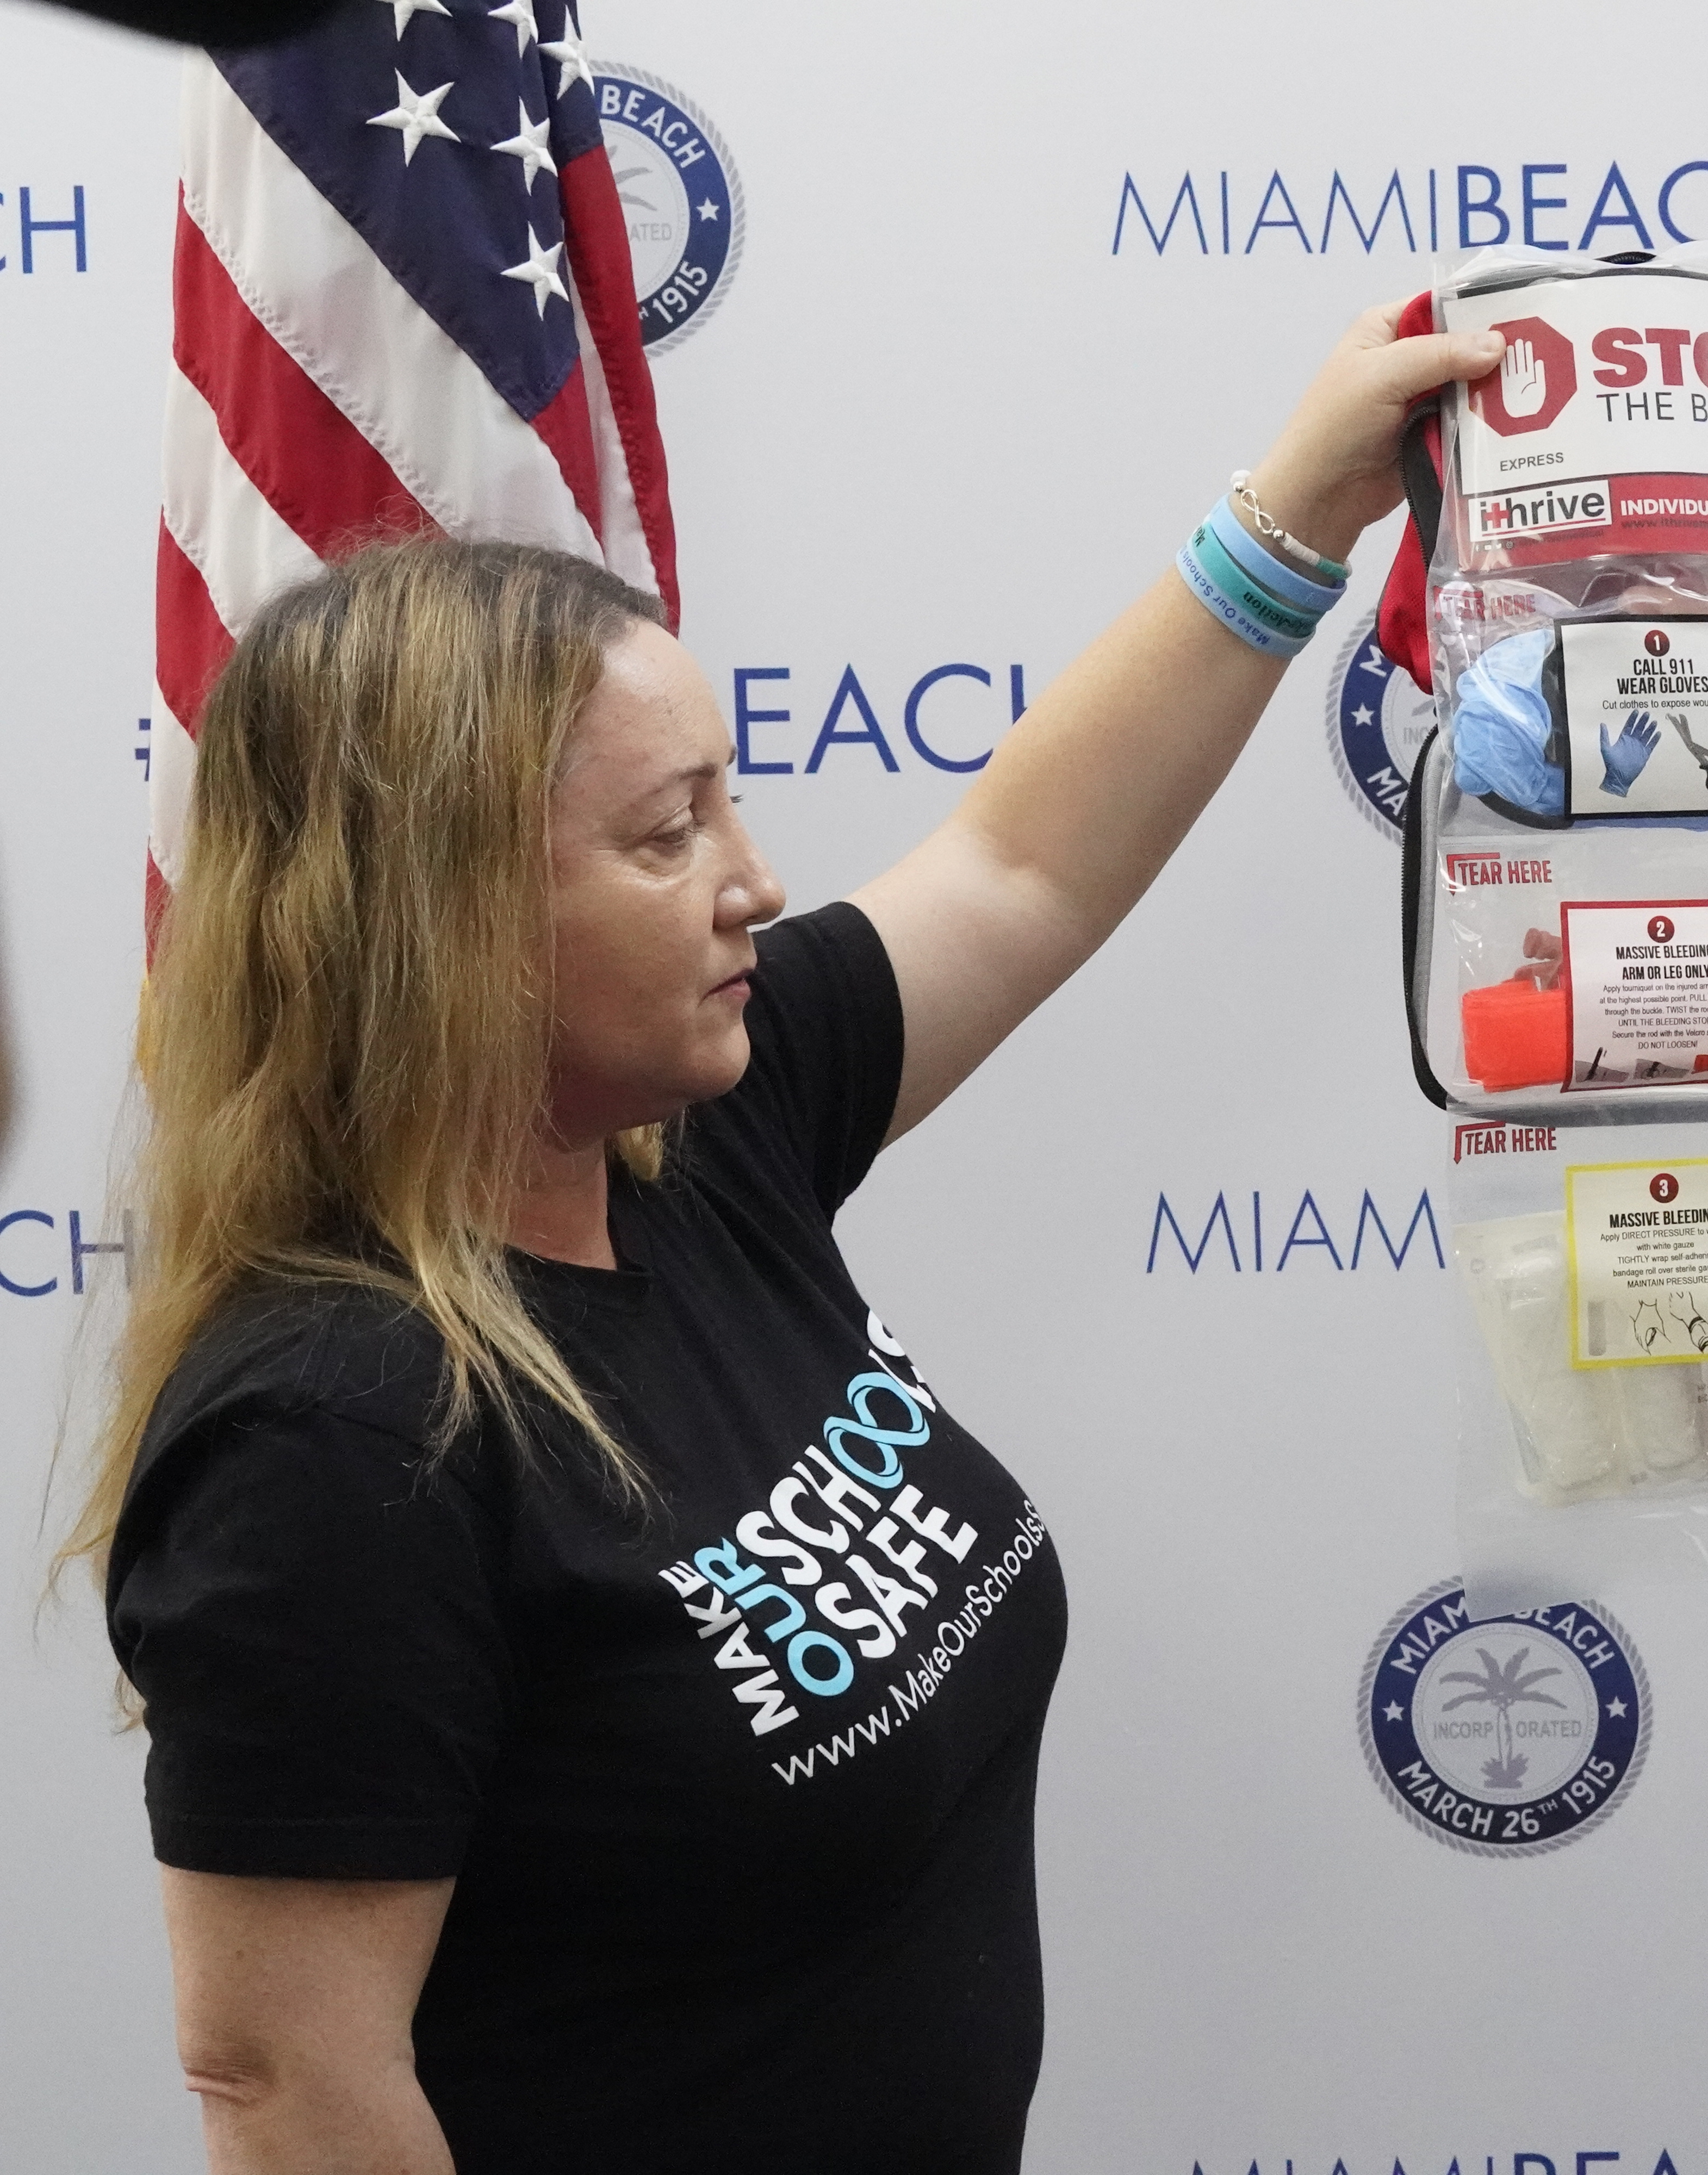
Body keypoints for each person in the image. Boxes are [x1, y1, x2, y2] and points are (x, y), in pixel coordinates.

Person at [64, 304, 1506, 2173]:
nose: (754, 881)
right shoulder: (340, 1443)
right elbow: (289, 2081)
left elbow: (1022, 865)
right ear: (442, 920)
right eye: (669, 836)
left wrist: (1296, 510)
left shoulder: (696, 1135)